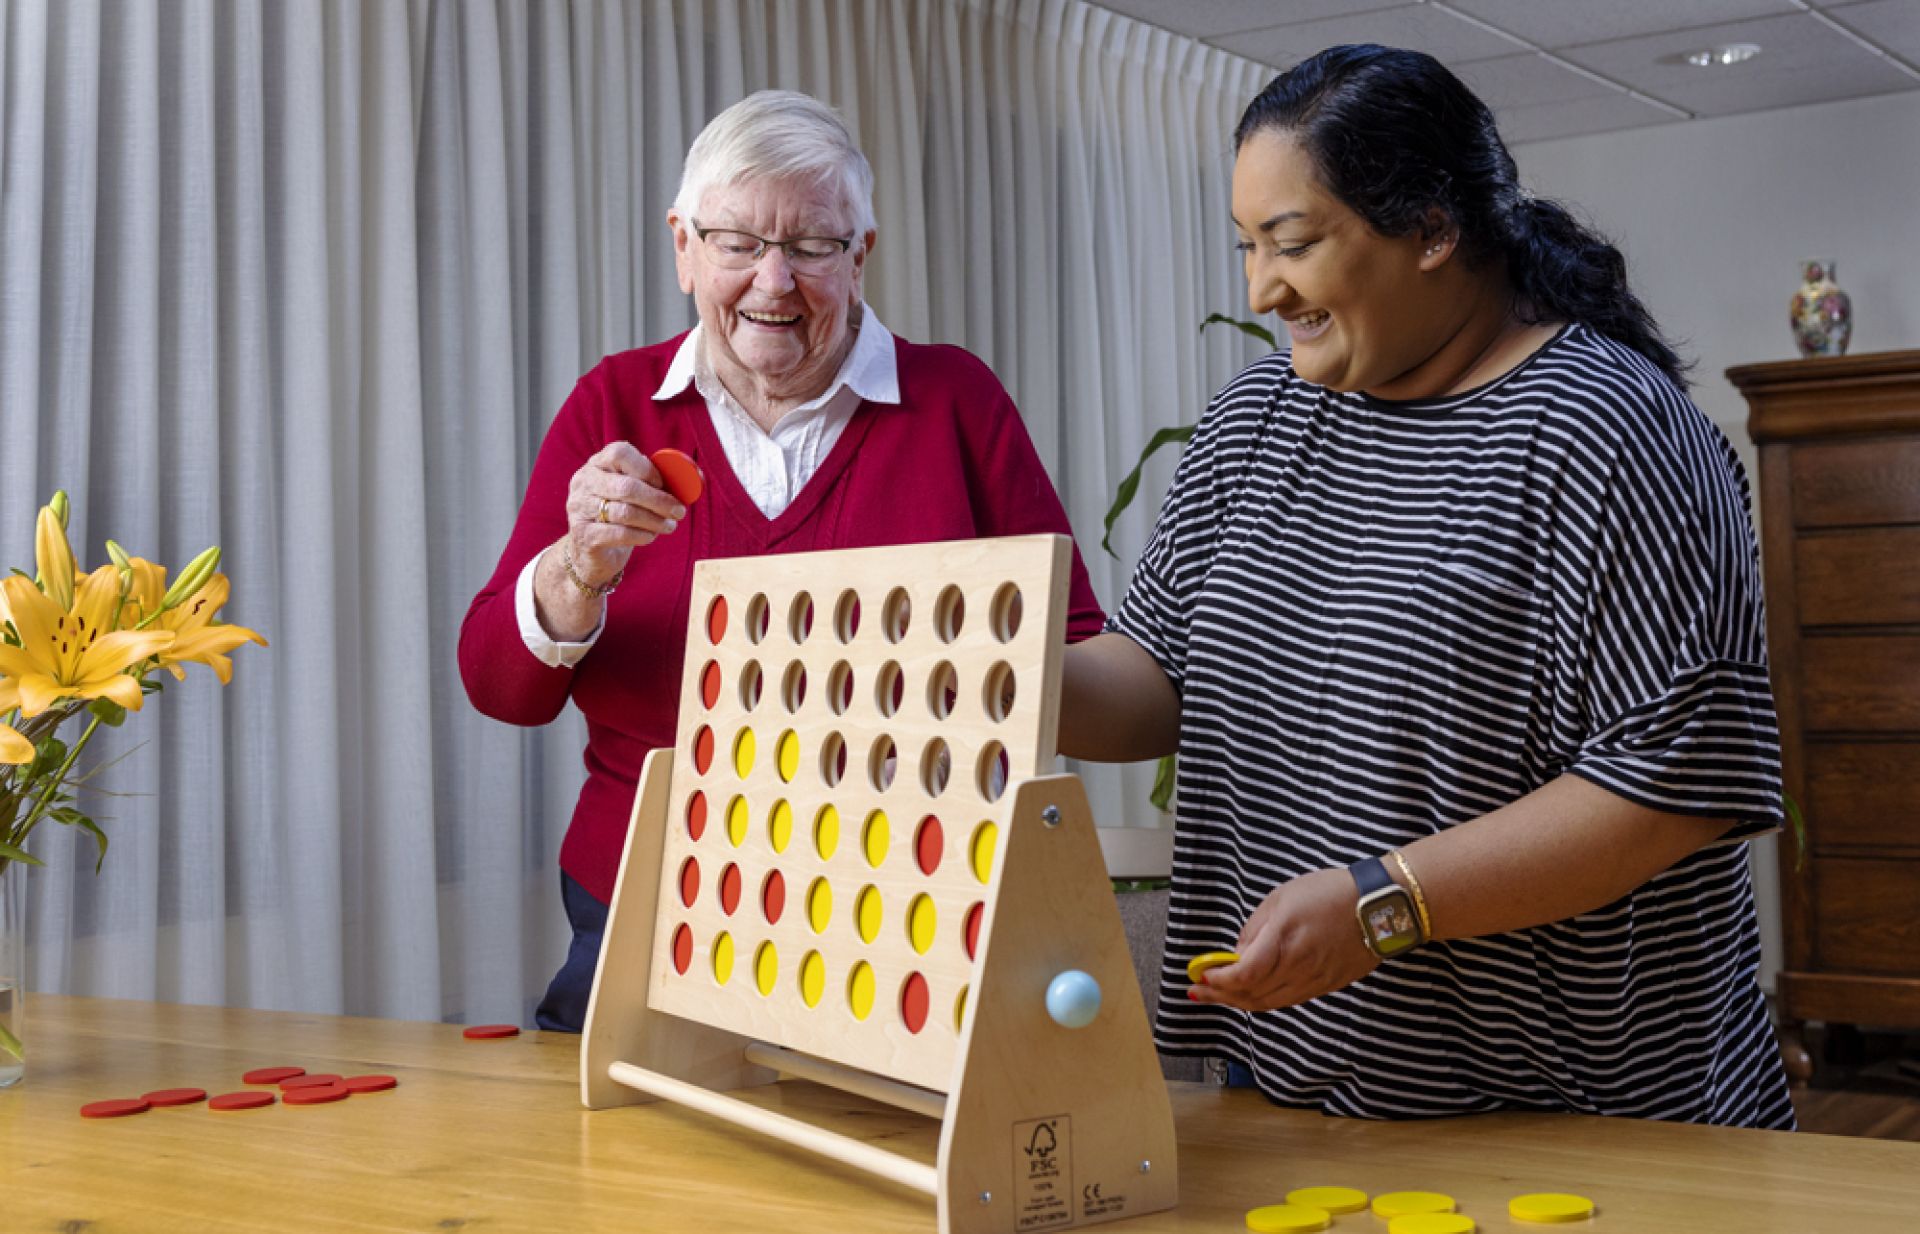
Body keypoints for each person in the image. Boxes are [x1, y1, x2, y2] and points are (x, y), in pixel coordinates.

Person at [1059, 45, 1794, 1127]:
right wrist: (989, 670)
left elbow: (1667, 792)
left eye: (1294, 244)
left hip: (1574, 1121)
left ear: (1436, 231)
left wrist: (1381, 906)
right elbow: (1156, 674)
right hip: (1294, 1099)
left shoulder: (1609, 433)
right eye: (1248, 247)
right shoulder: (1252, 423)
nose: (1262, 288)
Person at [460, 90, 1103, 1032]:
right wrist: (577, 566)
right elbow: (500, 687)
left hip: (905, 902)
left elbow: (1077, 648)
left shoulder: (954, 400)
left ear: (861, 256)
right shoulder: (615, 403)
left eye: (810, 247)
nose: (773, 282)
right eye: (737, 244)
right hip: (648, 901)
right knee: (610, 1169)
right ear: (683, 246)